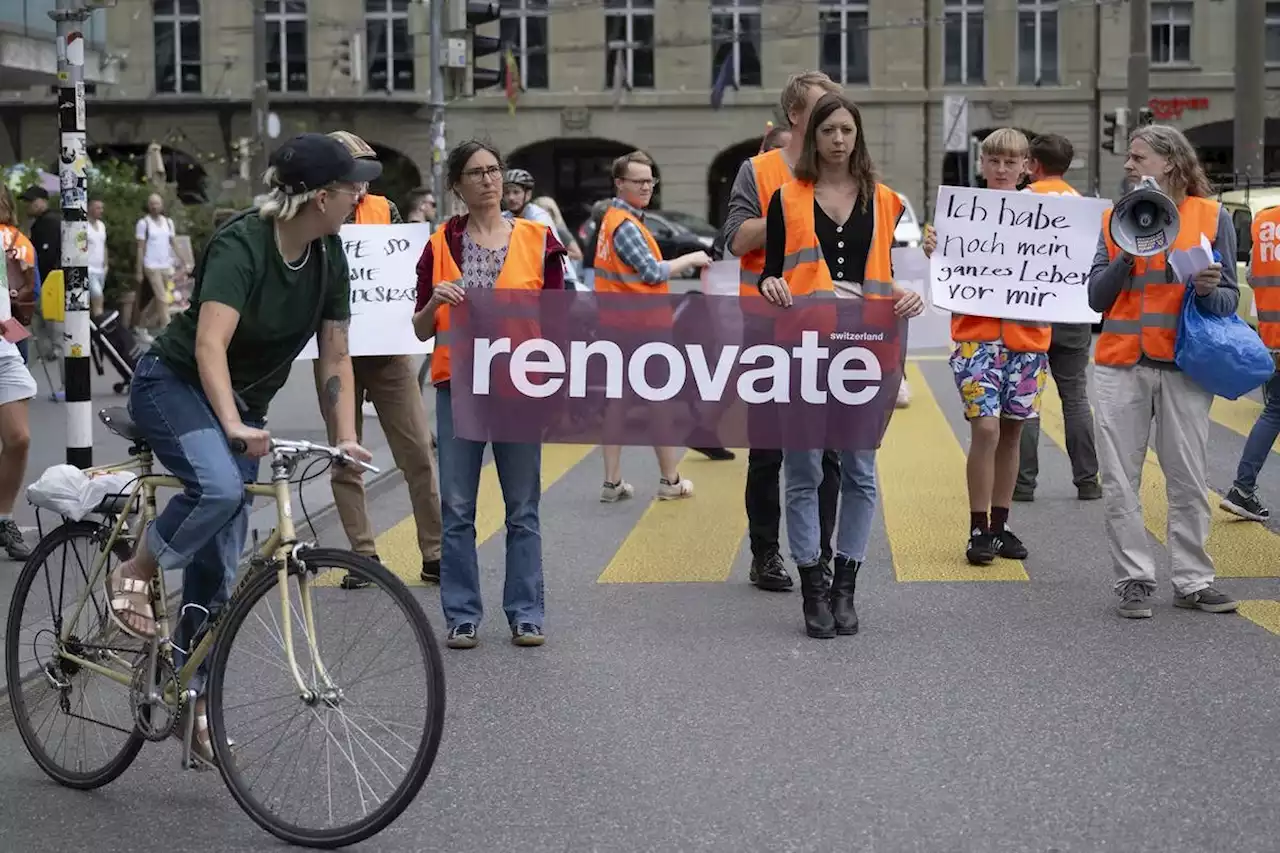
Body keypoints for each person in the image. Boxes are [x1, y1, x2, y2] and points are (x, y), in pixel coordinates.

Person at [104, 132, 377, 763]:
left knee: (219, 574)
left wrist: (345, 437)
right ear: (317, 195)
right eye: (351, 186)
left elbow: (335, 353)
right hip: (172, 385)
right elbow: (208, 346)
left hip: (237, 406)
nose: (361, 195)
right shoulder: (242, 244)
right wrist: (231, 423)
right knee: (222, 488)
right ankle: (136, 569)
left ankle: (188, 700)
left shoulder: (329, 255)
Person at [757, 92, 923, 639]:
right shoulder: (786, 197)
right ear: (814, 136)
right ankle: (813, 585)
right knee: (802, 471)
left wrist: (908, 297)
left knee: (859, 472)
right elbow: (774, 271)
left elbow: (891, 274)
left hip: (866, 348)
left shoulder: (888, 200)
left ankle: (846, 584)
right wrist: (770, 283)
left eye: (847, 130)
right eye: (828, 130)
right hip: (804, 345)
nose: (837, 139)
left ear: (858, 136)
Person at [412, 140, 568, 650]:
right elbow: (418, 331)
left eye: (494, 170)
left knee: (522, 506)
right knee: (457, 507)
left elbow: (560, 321)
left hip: (520, 389)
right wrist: (435, 299)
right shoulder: (439, 245)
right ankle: (462, 615)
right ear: (457, 185)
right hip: (458, 386)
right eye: (476, 173)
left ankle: (526, 613)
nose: (489, 180)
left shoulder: (540, 240)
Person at [1089, 124, 1240, 619]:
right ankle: (1134, 579)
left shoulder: (1212, 217)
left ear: (1171, 162)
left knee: (1189, 478)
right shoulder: (1116, 218)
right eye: (1129, 157)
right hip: (1120, 363)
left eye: (1138, 157)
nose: (1129, 165)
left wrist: (1206, 288)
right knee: (1118, 480)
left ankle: (1193, 581)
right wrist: (1126, 259)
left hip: (1184, 364)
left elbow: (1228, 302)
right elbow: (1096, 298)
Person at [718, 70, 843, 592]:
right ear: (795, 115)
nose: (833, 120)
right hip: (767, 327)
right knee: (767, 447)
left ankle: (820, 551)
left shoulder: (844, 168)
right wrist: (789, 209)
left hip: (830, 326)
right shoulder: (760, 170)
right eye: (820, 108)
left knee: (830, 448)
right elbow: (733, 238)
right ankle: (766, 552)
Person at [320, 130, 444, 589]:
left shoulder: (384, 210)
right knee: (344, 457)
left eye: (367, 177)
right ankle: (363, 556)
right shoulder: (311, 214)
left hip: (388, 352)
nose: (362, 186)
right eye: (354, 176)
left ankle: (435, 553)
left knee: (417, 453)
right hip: (337, 354)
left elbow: (398, 270)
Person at [922, 128, 1049, 567]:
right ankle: (978, 525)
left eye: (1010, 162)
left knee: (1013, 431)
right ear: (982, 164)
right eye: (993, 161)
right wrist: (931, 247)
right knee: (987, 428)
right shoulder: (961, 213)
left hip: (1028, 341)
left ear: (1025, 166)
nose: (1001, 169)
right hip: (977, 340)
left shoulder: (1043, 213)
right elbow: (941, 263)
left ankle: (1000, 524)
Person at [594, 150, 710, 502]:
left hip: (616, 325)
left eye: (650, 180)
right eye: (638, 181)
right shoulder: (626, 225)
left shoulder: (615, 220)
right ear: (620, 183)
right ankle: (670, 481)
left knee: (617, 401)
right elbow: (651, 271)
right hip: (642, 328)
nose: (646, 187)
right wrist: (690, 258)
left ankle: (612, 483)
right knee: (659, 401)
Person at [1014, 133, 1102, 502]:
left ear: (1033, 164)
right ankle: (1087, 481)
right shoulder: (1085, 206)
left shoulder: (1021, 201)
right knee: (1076, 397)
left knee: (1027, 397)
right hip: (1073, 312)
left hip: (1031, 311)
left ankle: (1023, 483)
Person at [1220, 203, 1280, 522]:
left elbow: (1255, 276)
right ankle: (1242, 489)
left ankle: (1242, 490)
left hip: (1272, 336)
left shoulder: (1265, 221)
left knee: (1273, 412)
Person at [0, 186, 38, 560]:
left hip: (3, 346)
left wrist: (20, 293)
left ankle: (3, 518)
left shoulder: (11, 239)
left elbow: (23, 292)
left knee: (19, 438)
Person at [133, 193, 189, 339]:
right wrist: (139, 270)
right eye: (152, 203)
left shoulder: (168, 222)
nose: (154, 206)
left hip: (166, 264)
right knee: (163, 298)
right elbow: (140, 247)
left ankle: (140, 325)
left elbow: (173, 243)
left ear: (162, 205)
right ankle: (168, 333)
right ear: (148, 205)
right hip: (150, 264)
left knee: (159, 300)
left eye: (157, 203)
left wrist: (184, 260)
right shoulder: (143, 223)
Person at [86, 198, 108, 317]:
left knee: (93, 300)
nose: (101, 211)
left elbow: (104, 245)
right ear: (89, 208)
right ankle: (101, 324)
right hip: (89, 269)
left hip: (100, 269)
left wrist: (106, 264)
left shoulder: (101, 225)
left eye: (101, 208)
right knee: (98, 296)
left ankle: (91, 328)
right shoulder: (84, 226)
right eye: (97, 208)